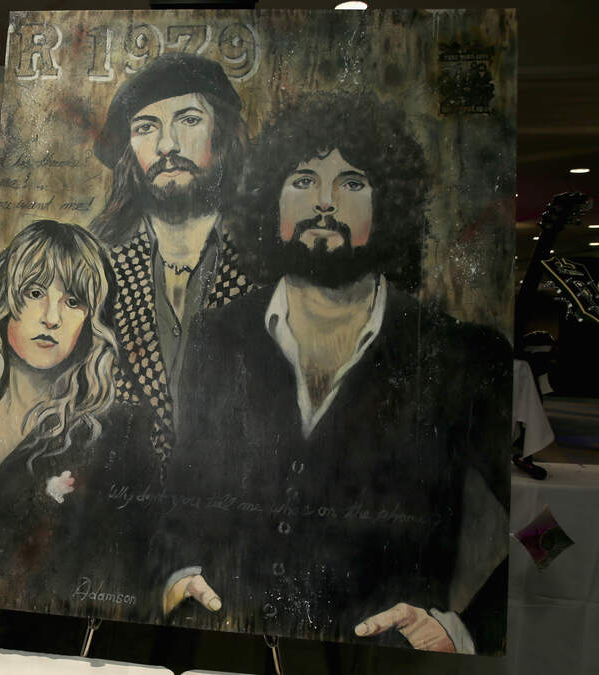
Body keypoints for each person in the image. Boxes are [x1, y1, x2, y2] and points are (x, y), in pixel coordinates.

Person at [161, 93, 510, 652]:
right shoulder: (215, 338)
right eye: (303, 180)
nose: (324, 203)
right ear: (271, 199)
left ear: (387, 204)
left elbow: (550, 526)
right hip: (228, 652)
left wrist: (468, 630)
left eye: (351, 182)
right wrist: (177, 576)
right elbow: (180, 496)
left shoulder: (461, 355)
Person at [0, 220, 158, 620]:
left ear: (92, 320)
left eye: (73, 301)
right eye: (35, 293)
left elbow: (115, 580)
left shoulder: (118, 435)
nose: (51, 317)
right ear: (4, 301)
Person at [89, 53, 255, 453]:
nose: (167, 145)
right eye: (146, 127)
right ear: (129, 152)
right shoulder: (95, 266)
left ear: (221, 134)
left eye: (189, 120)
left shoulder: (268, 258)